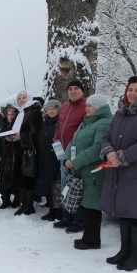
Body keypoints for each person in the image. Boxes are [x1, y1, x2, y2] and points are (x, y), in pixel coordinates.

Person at [100, 76, 137, 271]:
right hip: (118, 173)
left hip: (136, 172)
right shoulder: (119, 114)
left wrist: (123, 156)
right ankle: (125, 250)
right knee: (123, 212)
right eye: (130, 89)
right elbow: (107, 137)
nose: (133, 93)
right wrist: (109, 152)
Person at [62, 94, 112, 248]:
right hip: (83, 170)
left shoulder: (104, 123)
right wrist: (66, 158)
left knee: (92, 205)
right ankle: (88, 237)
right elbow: (72, 142)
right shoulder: (86, 123)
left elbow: (97, 148)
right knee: (86, 204)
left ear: (99, 108)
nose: (87, 108)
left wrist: (76, 162)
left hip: (94, 172)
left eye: (90, 106)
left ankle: (92, 240)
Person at [53, 80, 86, 230]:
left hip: (76, 155)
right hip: (62, 154)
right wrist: (55, 139)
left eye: (76, 88)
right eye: (70, 89)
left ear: (82, 91)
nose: (73, 91)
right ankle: (66, 217)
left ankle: (78, 221)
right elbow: (60, 126)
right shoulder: (65, 107)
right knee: (65, 187)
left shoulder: (86, 107)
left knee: (76, 188)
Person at [9, 90, 43, 216]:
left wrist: (20, 137)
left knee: (29, 177)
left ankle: (29, 205)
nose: (21, 100)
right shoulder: (21, 112)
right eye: (19, 98)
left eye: (24, 97)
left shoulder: (34, 112)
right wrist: (11, 136)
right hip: (19, 150)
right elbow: (15, 130)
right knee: (22, 177)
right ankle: (23, 204)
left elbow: (36, 132)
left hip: (29, 151)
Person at [36, 99, 61, 220]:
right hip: (44, 156)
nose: (51, 111)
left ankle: (57, 211)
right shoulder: (46, 123)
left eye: (53, 108)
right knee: (48, 184)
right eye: (49, 109)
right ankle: (51, 209)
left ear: (58, 110)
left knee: (55, 185)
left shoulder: (59, 123)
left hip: (55, 157)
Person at [0, 106, 20, 209]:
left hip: (16, 154)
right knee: (4, 178)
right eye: (9, 115)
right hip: (5, 155)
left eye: (12, 115)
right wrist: (5, 140)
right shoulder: (3, 124)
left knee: (16, 178)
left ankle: (16, 200)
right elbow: (0, 139)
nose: (10, 117)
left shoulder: (18, 125)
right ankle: (5, 200)